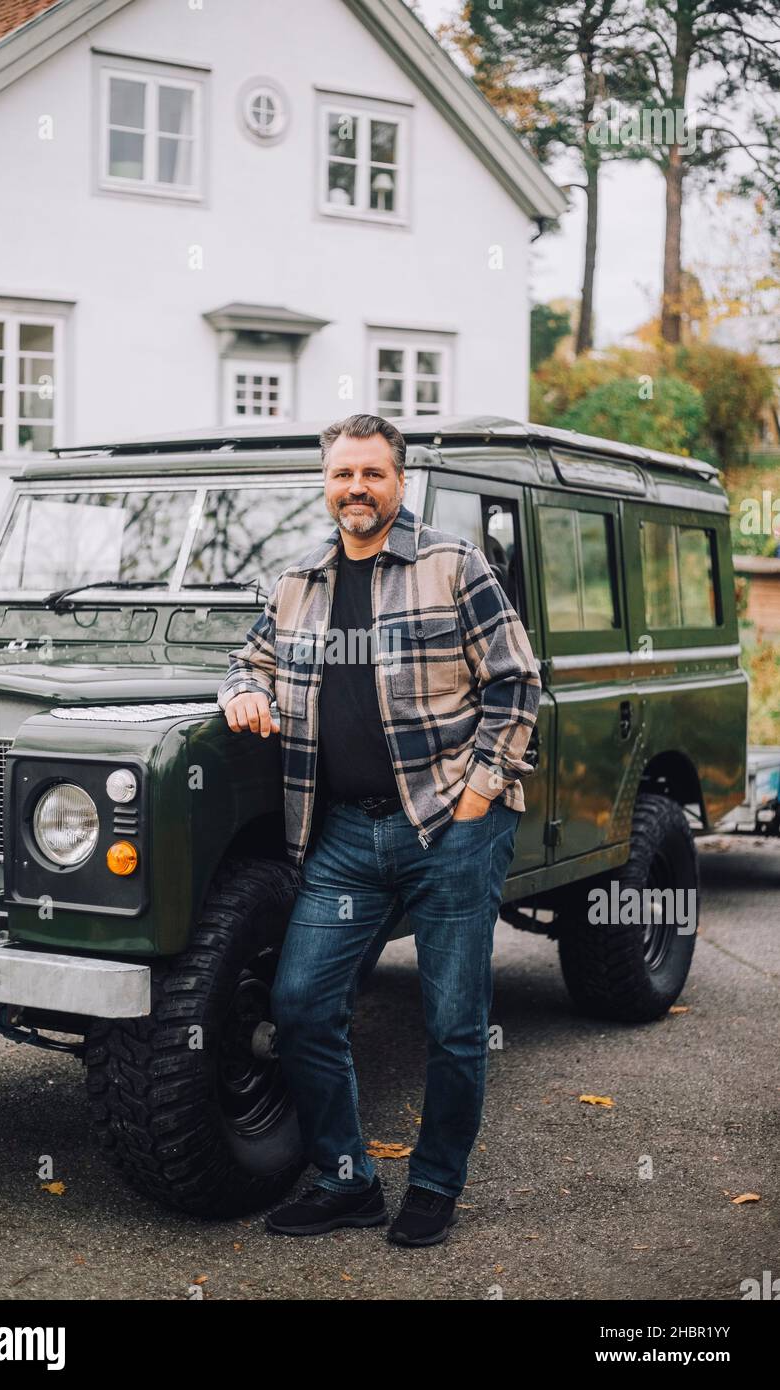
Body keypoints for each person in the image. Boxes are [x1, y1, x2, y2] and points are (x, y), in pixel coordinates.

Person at [217, 412, 541, 1247]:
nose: (355, 488)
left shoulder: (451, 565)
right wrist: (241, 693)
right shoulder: (299, 582)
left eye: (372, 474)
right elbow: (247, 659)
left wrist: (479, 793)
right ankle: (347, 1178)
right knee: (299, 1005)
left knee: (453, 1021)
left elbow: (515, 681)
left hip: (449, 829)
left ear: (400, 481)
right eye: (341, 475)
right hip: (343, 841)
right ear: (326, 485)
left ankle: (434, 1185)